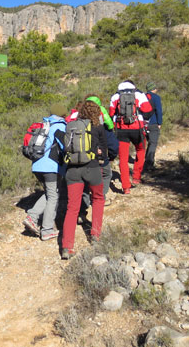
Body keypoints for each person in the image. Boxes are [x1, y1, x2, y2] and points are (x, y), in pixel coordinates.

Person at [61, 100, 108, 260]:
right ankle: (95, 235)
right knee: (98, 199)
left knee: (72, 208)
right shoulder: (98, 128)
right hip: (92, 168)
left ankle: (67, 247)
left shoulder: (72, 127)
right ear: (96, 113)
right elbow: (105, 153)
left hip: (72, 170)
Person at [23, 103, 67, 241]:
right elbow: (65, 146)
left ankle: (33, 217)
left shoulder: (44, 124)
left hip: (37, 165)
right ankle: (46, 229)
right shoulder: (59, 125)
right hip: (50, 167)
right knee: (53, 195)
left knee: (50, 193)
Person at [109, 80, 153, 194]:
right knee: (141, 150)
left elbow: (111, 113)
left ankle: (126, 186)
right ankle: (136, 177)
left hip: (121, 129)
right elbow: (147, 109)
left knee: (123, 158)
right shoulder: (139, 94)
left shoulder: (115, 96)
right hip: (137, 128)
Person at [144, 81, 163, 172]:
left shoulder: (142, 97)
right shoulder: (156, 97)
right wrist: (159, 123)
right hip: (153, 123)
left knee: (148, 142)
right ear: (153, 89)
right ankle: (149, 164)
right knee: (153, 143)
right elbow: (159, 111)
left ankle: (145, 161)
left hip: (142, 124)